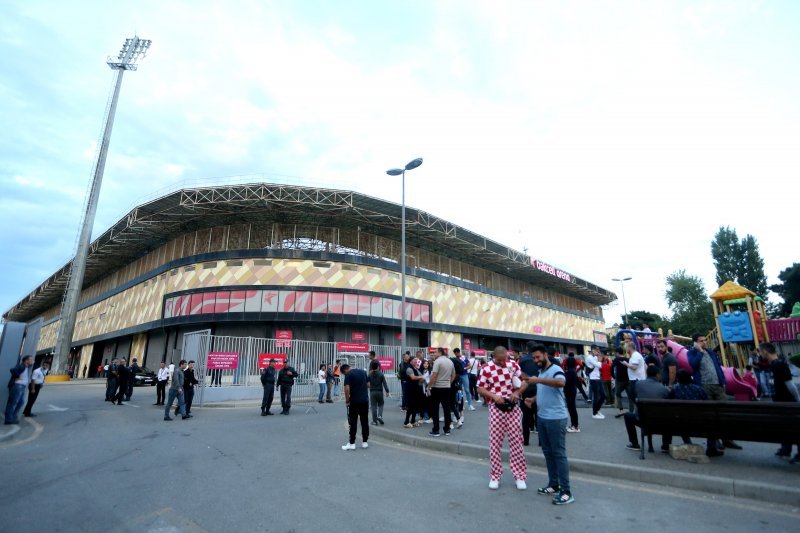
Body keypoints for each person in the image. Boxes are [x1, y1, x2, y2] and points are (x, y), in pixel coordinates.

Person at [526, 344, 573, 505]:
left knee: (559, 454)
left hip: (556, 418)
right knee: (548, 453)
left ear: (546, 355)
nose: (536, 360)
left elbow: (561, 383)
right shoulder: (541, 372)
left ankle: (567, 491)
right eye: (533, 358)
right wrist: (532, 399)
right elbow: (544, 391)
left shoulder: (555, 369)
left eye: (538, 356)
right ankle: (554, 484)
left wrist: (537, 380)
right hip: (542, 417)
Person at [477, 346, 528, 490]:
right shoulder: (486, 368)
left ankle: (519, 476)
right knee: (495, 443)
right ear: (494, 356)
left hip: (513, 407)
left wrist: (518, 392)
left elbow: (525, 381)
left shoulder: (513, 364)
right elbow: (480, 388)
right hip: (496, 408)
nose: (502, 362)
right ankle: (495, 476)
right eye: (499, 360)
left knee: (517, 442)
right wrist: (494, 396)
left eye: (504, 359)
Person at [687, 333, 741, 456]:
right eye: (701, 341)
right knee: (711, 415)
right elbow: (693, 365)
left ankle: (727, 439)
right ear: (695, 342)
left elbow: (717, 367)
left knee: (724, 412)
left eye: (705, 340)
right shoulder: (692, 353)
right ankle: (714, 441)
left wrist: (722, 381)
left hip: (717, 385)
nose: (704, 342)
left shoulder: (710, 352)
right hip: (705, 386)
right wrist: (699, 351)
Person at [760, 343, 800, 463]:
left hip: (787, 402)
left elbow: (790, 385)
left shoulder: (780, 365)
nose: (760, 354)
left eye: (761, 351)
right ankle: (785, 449)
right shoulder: (773, 365)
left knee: (794, 428)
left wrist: (797, 400)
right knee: (785, 427)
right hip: (780, 401)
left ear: (766, 352)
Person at [623, 366, 669, 451]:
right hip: (659, 421)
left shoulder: (638, 384)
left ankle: (634, 443)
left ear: (647, 373)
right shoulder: (664, 389)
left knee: (628, 416)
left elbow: (633, 397)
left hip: (641, 419)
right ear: (658, 375)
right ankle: (665, 445)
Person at [341, 363, 370, 450]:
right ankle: (365, 442)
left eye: (344, 373)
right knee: (364, 421)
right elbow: (368, 384)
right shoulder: (363, 372)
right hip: (365, 400)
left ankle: (352, 443)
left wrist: (347, 401)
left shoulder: (348, 375)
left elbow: (347, 389)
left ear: (345, 370)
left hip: (354, 401)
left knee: (353, 422)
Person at [428, 347, 455, 437]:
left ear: (440, 352)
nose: (434, 354)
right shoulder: (450, 361)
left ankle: (436, 430)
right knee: (446, 408)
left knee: (435, 408)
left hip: (437, 387)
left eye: (435, 352)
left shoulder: (437, 361)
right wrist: (448, 383)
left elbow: (434, 375)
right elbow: (453, 375)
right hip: (446, 387)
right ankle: (447, 429)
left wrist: (429, 386)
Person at [518, 342, 539, 445]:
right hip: (539, 387)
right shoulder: (540, 360)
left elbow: (519, 374)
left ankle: (525, 440)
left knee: (525, 415)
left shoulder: (523, 359)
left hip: (526, 387)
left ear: (526, 348)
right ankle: (541, 441)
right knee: (539, 414)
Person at [5, 355, 33, 425]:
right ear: (26, 360)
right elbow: (12, 370)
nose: (31, 361)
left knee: (20, 402)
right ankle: (8, 419)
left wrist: (31, 362)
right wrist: (17, 376)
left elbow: (30, 364)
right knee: (13, 403)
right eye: (30, 360)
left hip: (22, 387)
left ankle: (13, 417)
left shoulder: (27, 366)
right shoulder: (21, 366)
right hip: (17, 386)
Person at [621, 341, 646, 410]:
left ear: (630, 347)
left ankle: (640, 411)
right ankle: (639, 411)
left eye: (626, 348)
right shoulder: (635, 355)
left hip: (636, 380)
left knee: (634, 396)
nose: (626, 350)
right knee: (633, 396)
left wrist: (626, 364)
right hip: (636, 379)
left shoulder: (635, 355)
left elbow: (634, 367)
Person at [403, 358, 425, 427]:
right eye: (414, 360)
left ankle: (413, 420)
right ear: (411, 361)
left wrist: (423, 379)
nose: (416, 361)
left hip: (417, 390)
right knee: (410, 406)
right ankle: (406, 422)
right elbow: (413, 377)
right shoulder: (409, 369)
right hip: (411, 390)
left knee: (415, 406)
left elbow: (419, 379)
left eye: (416, 360)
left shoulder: (416, 369)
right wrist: (422, 376)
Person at [585, 345, 605, 419]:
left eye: (598, 350)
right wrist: (599, 360)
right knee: (596, 396)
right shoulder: (589, 358)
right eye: (597, 350)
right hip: (593, 378)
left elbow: (600, 365)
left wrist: (599, 360)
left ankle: (597, 409)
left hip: (598, 377)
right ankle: (594, 413)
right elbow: (599, 365)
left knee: (603, 395)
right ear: (592, 350)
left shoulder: (595, 357)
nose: (598, 351)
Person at [368, 360, 390, 425]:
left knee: (373, 406)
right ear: (378, 367)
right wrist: (387, 391)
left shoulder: (370, 374)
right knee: (381, 404)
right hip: (379, 391)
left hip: (372, 392)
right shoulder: (381, 374)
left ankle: (374, 421)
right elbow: (384, 384)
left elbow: (367, 384)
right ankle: (380, 416)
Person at [612, 347, 631, 417]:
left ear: (617, 353)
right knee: (630, 395)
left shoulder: (616, 359)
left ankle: (621, 410)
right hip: (628, 379)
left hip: (619, 380)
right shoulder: (627, 359)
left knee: (618, 394)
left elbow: (612, 368)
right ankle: (631, 410)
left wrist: (614, 376)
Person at [563, 357, 580, 433]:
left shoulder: (569, 372)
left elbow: (565, 382)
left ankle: (574, 425)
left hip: (569, 391)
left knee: (571, 408)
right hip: (572, 390)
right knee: (572, 408)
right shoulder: (573, 371)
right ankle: (574, 425)